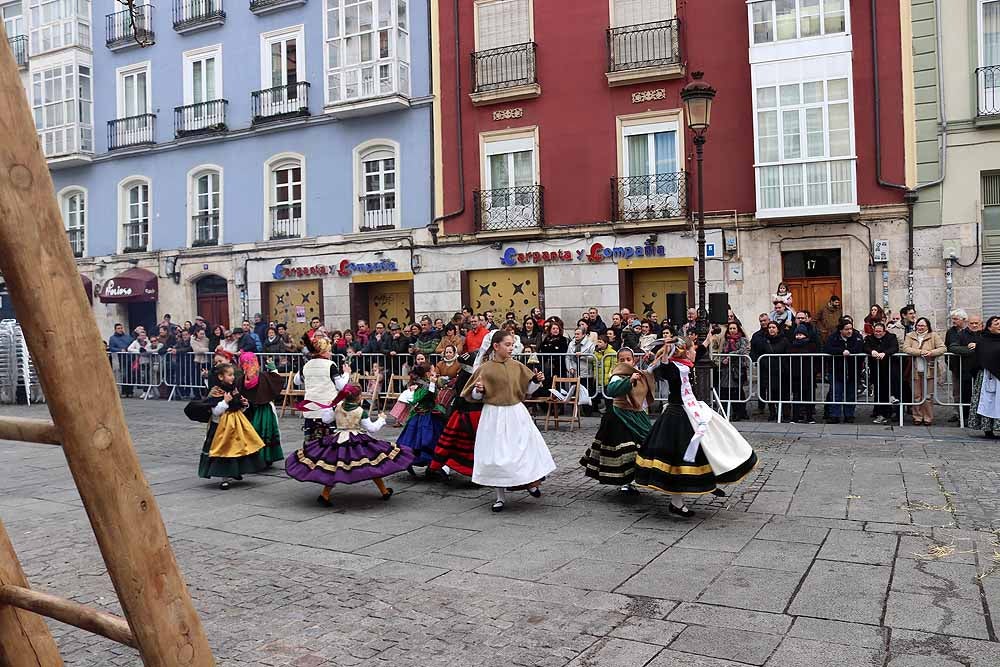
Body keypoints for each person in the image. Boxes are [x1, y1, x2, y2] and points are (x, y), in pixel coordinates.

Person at [634, 338, 757, 517]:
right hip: (678, 417)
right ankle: (677, 503)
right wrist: (667, 350)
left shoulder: (685, 364)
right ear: (684, 352)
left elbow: (698, 352)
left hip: (692, 412)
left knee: (707, 448)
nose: (696, 353)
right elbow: (666, 369)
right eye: (692, 350)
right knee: (680, 461)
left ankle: (709, 481)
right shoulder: (674, 367)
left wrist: (707, 339)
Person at [462, 331, 556, 512]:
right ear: (496, 346)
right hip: (494, 415)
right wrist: (479, 390)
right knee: (497, 455)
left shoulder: (517, 366)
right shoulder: (485, 368)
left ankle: (530, 483)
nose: (511, 348)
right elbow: (474, 395)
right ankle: (500, 496)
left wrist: (536, 381)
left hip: (515, 413)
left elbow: (527, 389)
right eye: (507, 344)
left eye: (512, 344)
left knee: (522, 450)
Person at [285, 383, 413, 506]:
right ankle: (384, 491)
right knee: (373, 465)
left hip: (338, 439)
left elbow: (326, 420)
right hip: (357, 440)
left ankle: (325, 495)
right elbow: (372, 428)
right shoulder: (360, 411)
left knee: (333, 468)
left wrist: (329, 408)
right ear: (359, 397)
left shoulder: (338, 406)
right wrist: (382, 419)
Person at [579, 347, 653, 494]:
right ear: (617, 361)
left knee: (645, 444)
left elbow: (654, 372)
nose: (625, 362)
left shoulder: (639, 373)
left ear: (633, 360)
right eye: (622, 359)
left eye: (628, 359)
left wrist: (652, 359)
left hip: (637, 415)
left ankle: (638, 478)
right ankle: (625, 482)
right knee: (626, 449)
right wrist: (628, 382)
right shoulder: (616, 375)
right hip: (618, 417)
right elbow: (612, 390)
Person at [190, 363, 269, 489]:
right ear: (221, 377)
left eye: (233, 375)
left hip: (237, 425)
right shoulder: (216, 391)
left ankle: (236, 470)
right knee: (224, 450)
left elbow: (237, 406)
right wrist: (225, 402)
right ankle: (225, 477)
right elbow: (215, 412)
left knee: (240, 447)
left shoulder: (233, 389)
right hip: (221, 428)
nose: (233, 377)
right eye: (230, 375)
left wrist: (243, 404)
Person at [430, 352, 479, 479]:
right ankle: (468, 471)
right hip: (470, 413)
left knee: (453, 443)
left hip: (459, 413)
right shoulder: (471, 376)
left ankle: (445, 467)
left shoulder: (462, 375)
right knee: (468, 444)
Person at [395, 364, 445, 476]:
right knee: (424, 441)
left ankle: (432, 467)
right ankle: (418, 464)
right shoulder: (424, 385)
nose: (435, 373)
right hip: (424, 417)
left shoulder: (423, 384)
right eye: (432, 371)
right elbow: (424, 396)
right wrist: (432, 384)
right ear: (427, 373)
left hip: (429, 415)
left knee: (430, 441)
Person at [237, 350, 286, 466]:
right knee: (260, 432)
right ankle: (264, 457)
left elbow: (275, 381)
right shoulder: (262, 377)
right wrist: (273, 369)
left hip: (251, 411)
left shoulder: (242, 379)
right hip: (260, 411)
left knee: (255, 433)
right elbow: (276, 381)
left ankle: (255, 458)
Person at [903, 317, 946, 425]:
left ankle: (928, 417)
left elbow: (942, 348)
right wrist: (921, 352)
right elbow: (906, 348)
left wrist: (931, 352)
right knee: (916, 395)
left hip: (929, 370)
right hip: (915, 370)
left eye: (922, 326)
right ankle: (917, 417)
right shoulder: (910, 336)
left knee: (927, 396)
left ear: (927, 326)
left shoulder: (934, 335)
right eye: (918, 325)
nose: (920, 328)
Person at [824, 319, 865, 424]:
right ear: (841, 330)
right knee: (836, 393)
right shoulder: (833, 337)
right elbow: (827, 348)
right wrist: (841, 351)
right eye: (846, 329)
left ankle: (849, 415)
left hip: (852, 370)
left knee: (851, 394)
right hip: (837, 370)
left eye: (850, 329)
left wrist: (849, 351)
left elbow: (859, 347)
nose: (849, 331)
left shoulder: (857, 337)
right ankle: (834, 415)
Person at [969, 316, 1000, 438]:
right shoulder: (983, 340)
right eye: (997, 324)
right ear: (989, 327)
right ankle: (987, 428)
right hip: (987, 376)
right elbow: (979, 358)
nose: (999, 326)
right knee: (987, 401)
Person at [864, 322, 899, 424]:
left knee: (891, 391)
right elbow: (865, 347)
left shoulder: (891, 337)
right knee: (879, 391)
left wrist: (885, 353)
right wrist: (872, 352)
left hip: (889, 368)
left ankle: (892, 412)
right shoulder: (870, 338)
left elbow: (894, 348)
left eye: (880, 331)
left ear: (884, 331)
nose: (877, 333)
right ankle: (880, 412)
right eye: (876, 331)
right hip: (876, 369)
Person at [949, 315, 982, 423]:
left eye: (976, 323)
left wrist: (978, 346)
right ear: (968, 323)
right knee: (965, 395)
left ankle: (980, 419)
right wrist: (969, 350)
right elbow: (952, 347)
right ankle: (965, 418)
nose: (974, 325)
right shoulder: (961, 334)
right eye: (972, 323)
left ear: (981, 323)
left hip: (982, 370)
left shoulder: (985, 335)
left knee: (982, 396)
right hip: (965, 370)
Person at [717, 322, 750, 421]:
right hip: (727, 369)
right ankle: (726, 411)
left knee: (737, 391)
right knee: (725, 390)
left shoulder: (742, 339)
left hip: (738, 368)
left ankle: (739, 412)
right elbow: (722, 352)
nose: (732, 330)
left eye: (734, 328)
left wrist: (730, 355)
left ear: (738, 329)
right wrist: (724, 359)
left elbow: (743, 350)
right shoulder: (725, 340)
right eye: (730, 328)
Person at [759, 321, 790, 421]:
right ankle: (773, 413)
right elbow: (761, 353)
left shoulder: (784, 340)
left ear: (777, 329)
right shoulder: (765, 341)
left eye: (773, 327)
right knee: (771, 393)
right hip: (769, 371)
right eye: (769, 327)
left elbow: (787, 354)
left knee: (784, 393)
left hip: (782, 371)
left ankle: (785, 414)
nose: (771, 329)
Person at [788, 324, 818, 423]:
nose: (799, 336)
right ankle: (796, 417)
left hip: (808, 374)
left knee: (808, 396)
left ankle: (809, 416)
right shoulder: (792, 345)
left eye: (801, 334)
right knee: (796, 396)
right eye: (797, 334)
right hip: (796, 374)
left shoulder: (811, 345)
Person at [944, 309, 970, 422]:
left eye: (955, 319)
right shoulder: (950, 332)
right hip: (955, 366)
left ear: (963, 320)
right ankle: (957, 413)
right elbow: (948, 347)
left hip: (969, 366)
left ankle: (969, 413)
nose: (953, 321)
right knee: (956, 392)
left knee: (969, 390)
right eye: (952, 319)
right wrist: (949, 362)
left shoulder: (969, 331)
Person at [566, 327, 596, 415]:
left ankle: (588, 412)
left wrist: (583, 355)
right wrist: (570, 368)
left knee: (586, 392)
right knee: (574, 392)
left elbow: (593, 358)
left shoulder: (590, 344)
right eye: (575, 334)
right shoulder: (571, 344)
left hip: (586, 373)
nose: (576, 336)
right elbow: (568, 357)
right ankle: (575, 412)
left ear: (583, 335)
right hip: (574, 372)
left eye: (578, 334)